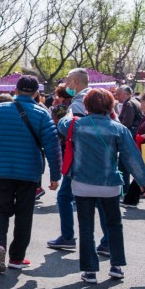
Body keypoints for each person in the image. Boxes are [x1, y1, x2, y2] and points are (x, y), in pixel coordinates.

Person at [59, 88, 145, 284]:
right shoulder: (119, 128)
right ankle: (116, 266)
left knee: (86, 227)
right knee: (114, 225)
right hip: (109, 184)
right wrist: (143, 181)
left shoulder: (76, 125)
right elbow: (131, 157)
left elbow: (61, 124)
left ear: (87, 106)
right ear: (110, 106)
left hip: (82, 183)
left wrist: (70, 112)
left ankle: (90, 271)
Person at [0, 75, 62, 273]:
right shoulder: (42, 113)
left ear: (16, 90)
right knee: (24, 214)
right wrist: (55, 175)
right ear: (36, 93)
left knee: (0, 210)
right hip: (28, 171)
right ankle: (16, 257)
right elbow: (52, 147)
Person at [48, 68, 109, 255]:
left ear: (75, 81)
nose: (66, 85)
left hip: (81, 159)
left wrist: (64, 122)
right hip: (98, 158)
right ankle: (107, 241)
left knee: (67, 196)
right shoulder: (97, 98)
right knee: (98, 199)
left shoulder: (80, 103)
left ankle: (68, 237)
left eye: (68, 81)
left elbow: (78, 131)